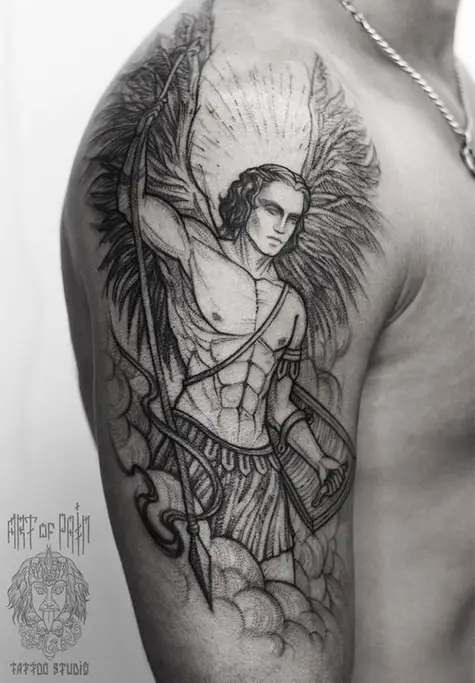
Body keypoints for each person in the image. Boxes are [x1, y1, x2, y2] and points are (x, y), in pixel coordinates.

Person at [61, 1, 474, 682]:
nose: (281, 227)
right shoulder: (243, 83)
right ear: (241, 205)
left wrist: (317, 455)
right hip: (199, 454)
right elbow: (147, 212)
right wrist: (150, 153)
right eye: (270, 210)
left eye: (293, 217)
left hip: (263, 474)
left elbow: (281, 402)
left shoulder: (445, 89)